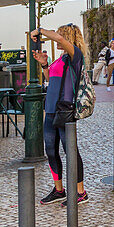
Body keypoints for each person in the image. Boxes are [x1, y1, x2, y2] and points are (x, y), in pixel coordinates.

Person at [32, 24, 87, 205]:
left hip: (65, 110)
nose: (57, 37)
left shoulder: (75, 56)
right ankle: (59, 190)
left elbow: (60, 40)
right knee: (50, 151)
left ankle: (80, 192)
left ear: (68, 37)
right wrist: (44, 64)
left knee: (70, 151)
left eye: (60, 33)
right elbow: (51, 80)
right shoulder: (60, 59)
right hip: (51, 110)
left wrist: (40, 31)